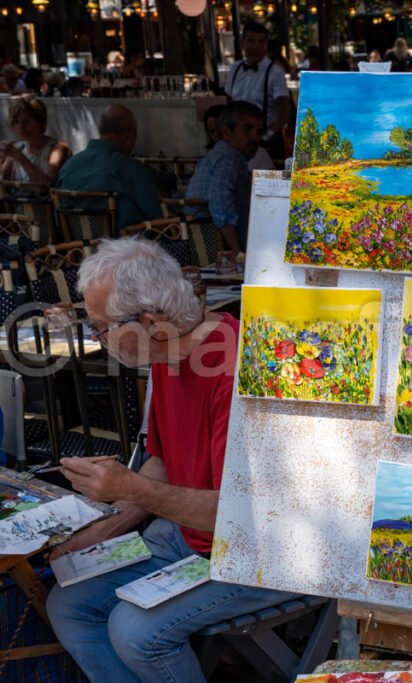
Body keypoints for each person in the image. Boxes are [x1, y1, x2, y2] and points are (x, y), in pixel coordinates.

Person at [46, 237, 298, 683]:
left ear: (148, 321)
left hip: (257, 552)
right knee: (69, 603)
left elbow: (237, 515)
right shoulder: (166, 351)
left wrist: (129, 488)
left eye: (101, 327)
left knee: (136, 632)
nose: (97, 338)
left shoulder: (234, 369)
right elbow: (162, 460)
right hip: (187, 534)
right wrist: (105, 528)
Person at [56, 105, 162, 231]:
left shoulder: (68, 167)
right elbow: (158, 219)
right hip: (124, 248)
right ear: (129, 136)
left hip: (76, 248)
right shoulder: (132, 169)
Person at [186, 101, 262, 254]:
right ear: (227, 133)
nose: (255, 138)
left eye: (259, 132)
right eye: (247, 129)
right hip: (217, 244)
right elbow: (220, 199)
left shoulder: (216, 155)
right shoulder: (230, 158)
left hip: (200, 240)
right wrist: (237, 251)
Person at [224, 21, 289, 159]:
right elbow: (229, 103)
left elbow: (283, 111)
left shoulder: (275, 72)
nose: (256, 46)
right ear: (243, 43)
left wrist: (266, 137)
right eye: (251, 41)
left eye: (261, 42)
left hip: (264, 141)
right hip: (237, 142)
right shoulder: (234, 69)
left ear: (266, 44)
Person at [0, 96, 71, 184]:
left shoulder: (57, 149)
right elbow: (4, 185)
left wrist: (20, 158)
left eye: (26, 121)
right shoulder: (18, 148)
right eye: (16, 122)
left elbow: (46, 186)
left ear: (40, 122)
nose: (21, 127)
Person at [203, 103, 274, 172]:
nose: (216, 134)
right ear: (226, 132)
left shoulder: (257, 152)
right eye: (211, 131)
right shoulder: (218, 160)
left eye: (259, 132)